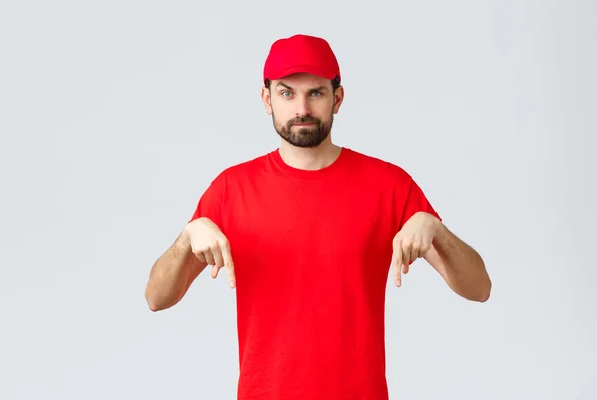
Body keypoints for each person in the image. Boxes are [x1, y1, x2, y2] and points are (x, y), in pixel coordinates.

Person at [145, 33, 492, 400]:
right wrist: (186, 238)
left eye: (316, 93)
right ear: (267, 100)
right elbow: (156, 298)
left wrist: (435, 229)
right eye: (286, 93)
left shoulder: (389, 186)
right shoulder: (232, 189)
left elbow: (479, 288)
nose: (302, 109)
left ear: (337, 98)